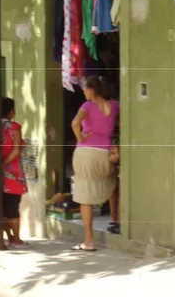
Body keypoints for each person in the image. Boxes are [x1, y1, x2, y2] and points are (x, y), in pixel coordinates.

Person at [71, 76, 120, 251]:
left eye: (84, 89)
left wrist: (81, 137)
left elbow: (75, 123)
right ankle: (115, 218)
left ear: (91, 90)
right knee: (112, 182)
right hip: (105, 154)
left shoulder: (88, 106)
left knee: (85, 197)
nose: (84, 92)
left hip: (85, 153)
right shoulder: (115, 105)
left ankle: (89, 241)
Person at [2, 97, 29, 248]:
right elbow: (17, 149)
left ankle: (9, 236)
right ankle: (17, 239)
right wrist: (5, 164)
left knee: (3, 207)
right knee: (13, 206)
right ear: (11, 112)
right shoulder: (14, 127)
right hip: (13, 172)